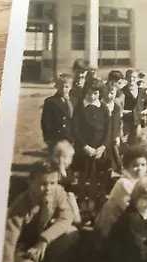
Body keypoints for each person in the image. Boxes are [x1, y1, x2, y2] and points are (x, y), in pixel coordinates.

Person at [1, 162, 78, 262]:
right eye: (43, 184)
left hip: (40, 239)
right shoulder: (19, 208)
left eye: (52, 183)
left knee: (72, 233)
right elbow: (8, 245)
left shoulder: (57, 191)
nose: (48, 188)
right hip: (21, 246)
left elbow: (67, 217)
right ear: (30, 182)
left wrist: (44, 239)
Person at [72, 78, 110, 223]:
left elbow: (108, 130)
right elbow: (75, 130)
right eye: (89, 93)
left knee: (95, 176)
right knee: (82, 176)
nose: (92, 96)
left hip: (99, 148)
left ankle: (92, 203)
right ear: (85, 92)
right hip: (84, 148)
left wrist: (102, 147)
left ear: (99, 93)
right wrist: (85, 147)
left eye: (95, 93)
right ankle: (82, 203)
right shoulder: (80, 108)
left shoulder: (104, 107)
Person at [94, 146, 147, 244]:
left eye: (143, 165)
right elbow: (131, 209)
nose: (139, 168)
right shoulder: (124, 183)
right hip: (112, 224)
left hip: (125, 219)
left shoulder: (141, 181)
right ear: (127, 167)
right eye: (135, 165)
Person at [48, 140, 82, 226]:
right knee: (71, 197)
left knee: (72, 197)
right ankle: (77, 222)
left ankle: (77, 220)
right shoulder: (55, 172)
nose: (71, 160)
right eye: (70, 157)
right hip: (56, 198)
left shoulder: (66, 170)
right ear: (62, 158)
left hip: (63, 196)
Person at [41, 74, 74, 153]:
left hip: (72, 136)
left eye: (66, 87)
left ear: (71, 87)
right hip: (57, 137)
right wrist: (48, 138)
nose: (63, 89)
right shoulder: (51, 101)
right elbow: (46, 122)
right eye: (61, 87)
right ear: (57, 86)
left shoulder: (74, 101)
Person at [102, 82, 123, 175]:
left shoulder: (116, 107)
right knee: (104, 159)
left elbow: (117, 123)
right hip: (102, 137)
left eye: (112, 93)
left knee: (114, 157)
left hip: (113, 137)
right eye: (107, 93)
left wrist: (117, 136)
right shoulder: (100, 106)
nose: (110, 96)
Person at [122, 69, 147, 144]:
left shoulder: (142, 91)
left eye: (134, 77)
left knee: (138, 141)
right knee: (126, 142)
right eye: (129, 77)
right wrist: (124, 112)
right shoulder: (122, 91)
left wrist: (146, 111)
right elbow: (119, 107)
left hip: (139, 121)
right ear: (126, 78)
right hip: (127, 122)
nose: (131, 79)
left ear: (137, 79)